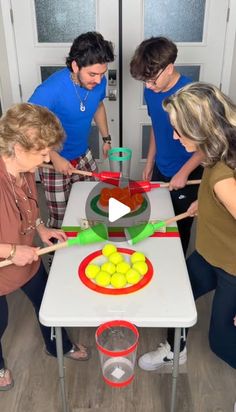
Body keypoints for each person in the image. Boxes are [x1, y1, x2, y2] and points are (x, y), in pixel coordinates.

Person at [138, 82, 236, 371]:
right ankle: (175, 351)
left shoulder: (223, 178)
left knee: (221, 341)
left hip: (231, 268)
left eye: (178, 130)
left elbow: (222, 187)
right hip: (208, 253)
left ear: (200, 128)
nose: (173, 136)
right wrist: (204, 204)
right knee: (175, 300)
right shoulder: (220, 149)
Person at [0, 103, 90, 391]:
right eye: (41, 154)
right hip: (8, 262)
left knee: (48, 304)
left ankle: (57, 346)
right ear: (16, 146)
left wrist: (41, 228)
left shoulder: (24, 169)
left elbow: (29, 206)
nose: (45, 161)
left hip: (27, 258)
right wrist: (13, 252)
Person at [29, 31, 114, 228]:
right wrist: (52, 156)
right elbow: (28, 128)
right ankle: (55, 256)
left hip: (84, 155)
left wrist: (106, 138)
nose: (98, 80)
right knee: (61, 219)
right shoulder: (49, 91)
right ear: (75, 65)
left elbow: (98, 106)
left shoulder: (98, 83)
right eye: (92, 74)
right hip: (54, 162)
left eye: (102, 73)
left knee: (93, 204)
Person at [130, 37, 203, 254]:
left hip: (188, 172)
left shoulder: (192, 96)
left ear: (169, 68)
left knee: (179, 226)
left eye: (152, 80)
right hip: (162, 167)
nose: (147, 86)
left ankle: (176, 267)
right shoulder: (151, 90)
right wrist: (150, 161)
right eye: (144, 81)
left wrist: (184, 173)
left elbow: (207, 145)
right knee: (157, 217)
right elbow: (157, 126)